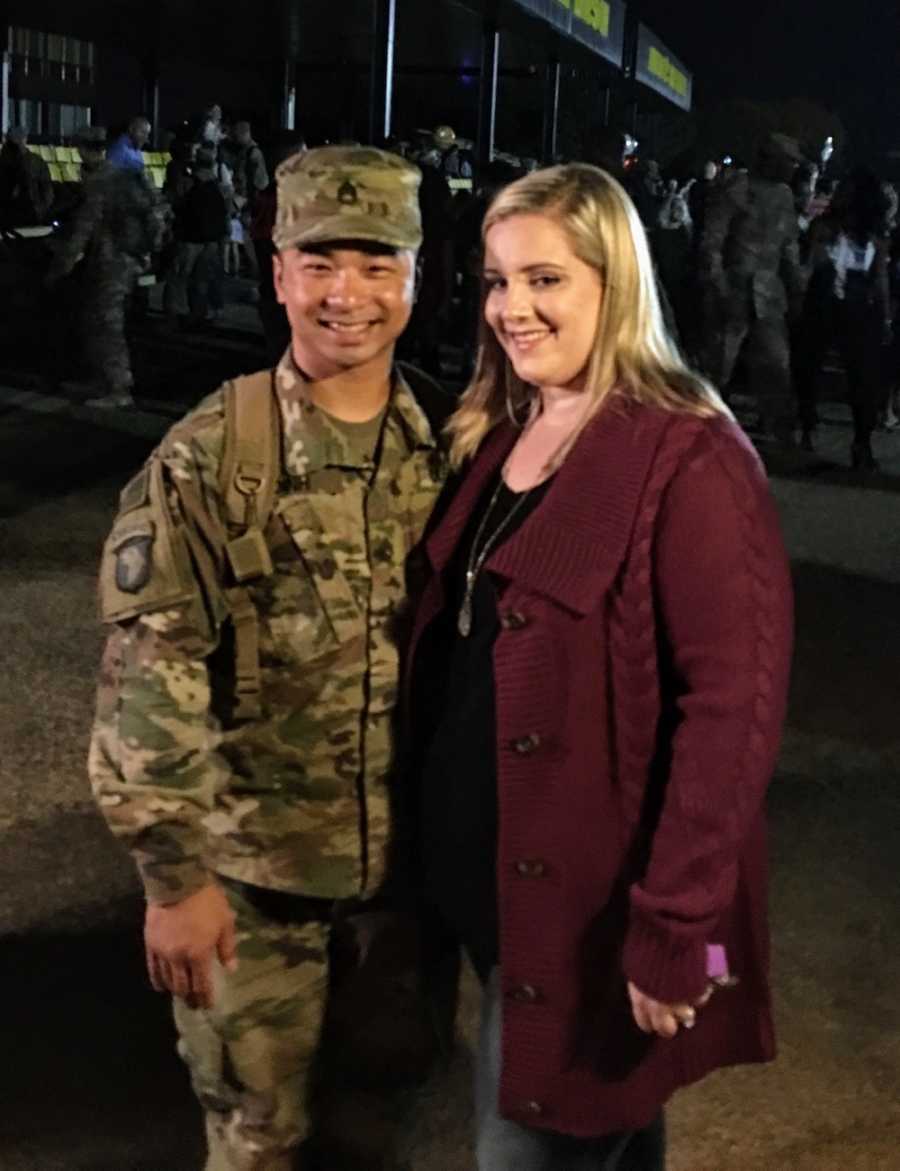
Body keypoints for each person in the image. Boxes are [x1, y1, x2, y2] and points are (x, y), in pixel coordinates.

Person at [407, 164, 794, 1170]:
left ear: (613, 281)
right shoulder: (510, 429)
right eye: (496, 281)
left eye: (545, 280)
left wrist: (676, 928)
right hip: (502, 913)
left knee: (538, 1141)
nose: (511, 310)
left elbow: (732, 714)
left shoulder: (689, 456)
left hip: (589, 928)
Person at [88, 145, 453, 1171]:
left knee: (382, 1128)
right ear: (280, 270)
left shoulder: (450, 444)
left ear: (417, 276)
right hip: (254, 887)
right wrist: (171, 878)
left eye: (379, 264)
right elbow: (146, 679)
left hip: (403, 895)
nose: (349, 294)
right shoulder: (216, 452)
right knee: (257, 1142)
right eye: (321, 260)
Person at [698, 133, 805, 443]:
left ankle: (781, 431)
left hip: (769, 293)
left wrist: (796, 287)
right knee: (718, 364)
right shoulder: (737, 188)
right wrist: (716, 281)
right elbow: (713, 240)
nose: (792, 168)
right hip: (734, 288)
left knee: (775, 363)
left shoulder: (784, 197)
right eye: (788, 161)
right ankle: (703, 425)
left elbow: (788, 248)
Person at [46, 125, 160, 408]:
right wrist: (147, 252)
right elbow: (155, 212)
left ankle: (118, 388)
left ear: (83, 149)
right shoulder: (130, 175)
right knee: (105, 320)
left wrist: (61, 267)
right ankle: (107, 380)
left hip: (111, 262)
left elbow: (84, 229)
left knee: (106, 325)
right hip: (131, 259)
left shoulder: (101, 181)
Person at [795, 168, 892, 471]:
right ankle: (821, 432)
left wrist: (885, 315)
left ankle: (856, 440)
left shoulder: (870, 235)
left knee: (859, 377)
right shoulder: (829, 229)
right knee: (816, 367)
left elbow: (880, 279)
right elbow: (812, 264)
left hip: (849, 306)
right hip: (832, 303)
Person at [163, 145, 230, 327]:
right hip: (210, 239)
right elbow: (225, 213)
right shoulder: (218, 186)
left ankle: (174, 315)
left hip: (189, 238)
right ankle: (199, 315)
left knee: (178, 278)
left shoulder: (189, 182)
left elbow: (176, 203)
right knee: (201, 280)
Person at [0, 126, 53, 227]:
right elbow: (47, 190)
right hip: (30, 213)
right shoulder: (36, 161)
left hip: (9, 214)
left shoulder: (4, 161)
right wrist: (41, 210)